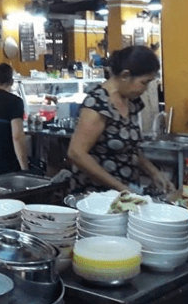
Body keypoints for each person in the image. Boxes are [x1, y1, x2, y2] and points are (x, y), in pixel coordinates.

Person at [67, 45, 173, 194]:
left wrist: (154, 172)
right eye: (144, 82)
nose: (147, 88)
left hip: (127, 190)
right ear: (125, 75)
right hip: (97, 194)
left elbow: (131, 149)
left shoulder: (131, 101)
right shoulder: (98, 103)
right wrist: (120, 187)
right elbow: (76, 153)